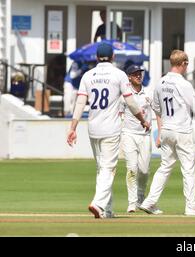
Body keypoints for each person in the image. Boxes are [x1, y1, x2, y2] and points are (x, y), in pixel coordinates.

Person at [66, 43, 150, 219]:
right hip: (110, 129)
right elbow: (131, 101)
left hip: (93, 128)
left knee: (101, 168)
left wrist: (72, 128)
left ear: (97, 57)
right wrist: (142, 120)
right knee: (108, 169)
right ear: (113, 57)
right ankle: (98, 203)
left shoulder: (87, 75)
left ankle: (107, 210)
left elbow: (80, 103)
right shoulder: (119, 75)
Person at [138, 49, 195, 216]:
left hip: (166, 129)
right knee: (188, 168)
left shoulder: (160, 82)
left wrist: (160, 130)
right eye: (186, 64)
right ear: (182, 64)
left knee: (164, 167)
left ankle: (150, 201)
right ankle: (191, 206)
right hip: (182, 130)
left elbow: (157, 108)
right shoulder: (184, 84)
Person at [119, 65, 153, 213]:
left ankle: (140, 197)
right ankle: (132, 202)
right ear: (129, 77)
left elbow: (157, 111)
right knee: (132, 168)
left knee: (144, 170)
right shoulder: (124, 95)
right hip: (129, 134)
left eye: (140, 73)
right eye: (135, 74)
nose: (139, 76)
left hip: (145, 135)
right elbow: (119, 115)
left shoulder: (149, 92)